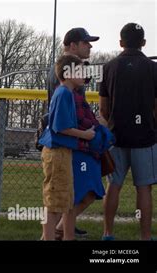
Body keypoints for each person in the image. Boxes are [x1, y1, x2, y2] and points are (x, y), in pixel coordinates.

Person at [100, 23, 157, 240]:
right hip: (145, 138)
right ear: (143, 43)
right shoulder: (153, 68)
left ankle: (108, 233)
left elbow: (104, 108)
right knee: (144, 189)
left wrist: (113, 124)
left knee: (113, 186)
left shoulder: (109, 67)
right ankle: (145, 236)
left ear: (121, 42)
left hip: (116, 136)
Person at [46, 27, 100, 238]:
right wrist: (87, 133)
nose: (90, 46)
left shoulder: (71, 71)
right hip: (68, 142)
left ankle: (65, 229)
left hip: (72, 140)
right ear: (72, 45)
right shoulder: (65, 77)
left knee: (71, 195)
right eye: (86, 42)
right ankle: (55, 232)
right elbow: (64, 121)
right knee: (63, 197)